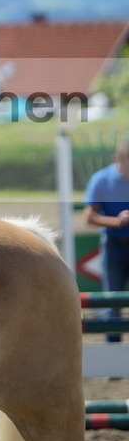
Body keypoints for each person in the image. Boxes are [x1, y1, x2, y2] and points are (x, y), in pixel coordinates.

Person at [84, 136, 129, 343]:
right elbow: (90, 216)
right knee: (112, 301)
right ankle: (112, 354)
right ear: (117, 158)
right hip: (114, 245)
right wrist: (117, 221)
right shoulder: (101, 179)